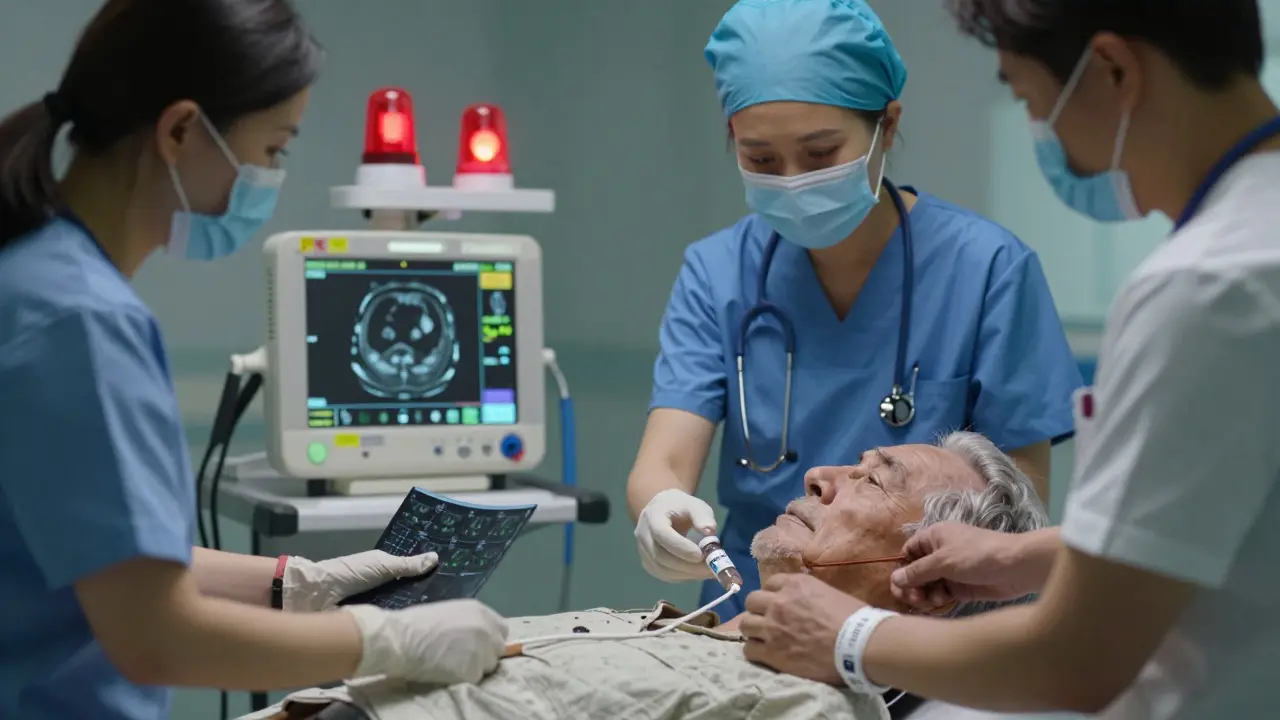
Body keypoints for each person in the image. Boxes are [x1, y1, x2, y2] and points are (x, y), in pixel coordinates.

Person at [739, 1, 1280, 717]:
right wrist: (1022, 557)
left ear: (1114, 70)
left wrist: (848, 635)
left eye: (1029, 98)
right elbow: (1236, 530)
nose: (1041, 132)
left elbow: (1076, 660)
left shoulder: (1210, 287)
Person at [0, 2, 506, 718]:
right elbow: (154, 635)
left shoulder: (31, 278)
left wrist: (292, 583)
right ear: (180, 130)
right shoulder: (80, 322)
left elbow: (106, 568)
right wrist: (379, 638)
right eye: (272, 150)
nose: (271, 177)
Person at [628, 0, 1081, 617]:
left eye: (819, 154)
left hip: (918, 623)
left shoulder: (987, 270)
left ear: (886, 126)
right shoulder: (718, 272)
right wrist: (661, 507)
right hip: (750, 611)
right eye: (761, 159)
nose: (791, 179)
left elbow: (1015, 508)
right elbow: (665, 461)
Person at [238, 431, 1048, 720]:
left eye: (873, 479)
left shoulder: (809, 708)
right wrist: (303, 597)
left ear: (927, 578)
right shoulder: (662, 624)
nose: (820, 475)